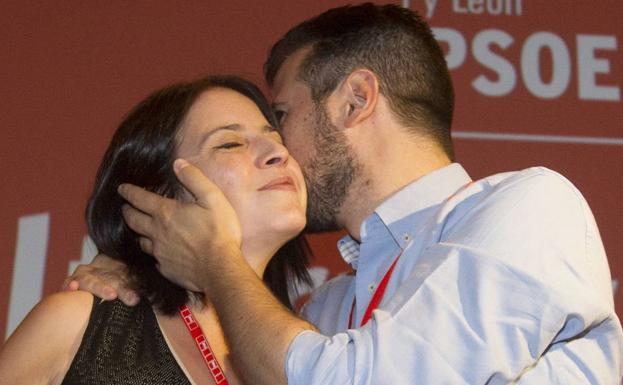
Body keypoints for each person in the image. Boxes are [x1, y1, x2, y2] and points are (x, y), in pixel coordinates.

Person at [67, 3, 623, 385]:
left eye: (280, 117)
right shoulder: (325, 310)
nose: (277, 148)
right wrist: (138, 271)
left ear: (355, 101)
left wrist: (214, 262)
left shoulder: (530, 207)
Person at [0, 75, 312, 385]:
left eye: (277, 139)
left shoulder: (315, 347)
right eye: (230, 144)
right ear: (158, 196)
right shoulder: (79, 324)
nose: (278, 153)